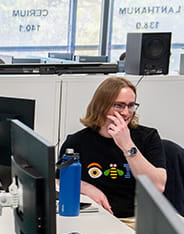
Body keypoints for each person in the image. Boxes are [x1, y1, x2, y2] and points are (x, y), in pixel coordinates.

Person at [59, 77, 167, 221]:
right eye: (119, 105)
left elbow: (157, 186)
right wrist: (85, 187)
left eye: (131, 106)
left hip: (137, 218)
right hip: (95, 217)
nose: (126, 112)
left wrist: (127, 144)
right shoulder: (77, 142)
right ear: (101, 106)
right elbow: (58, 181)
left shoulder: (148, 137)